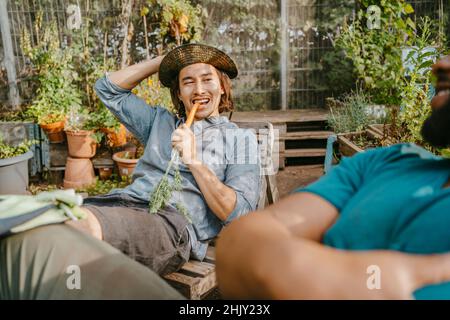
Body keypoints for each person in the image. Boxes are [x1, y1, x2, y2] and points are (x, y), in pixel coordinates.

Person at [215, 55, 450, 299]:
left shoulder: (239, 139)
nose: (441, 64)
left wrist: (291, 267)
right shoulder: (384, 163)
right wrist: (363, 280)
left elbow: (241, 225)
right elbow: (237, 245)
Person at [66, 43, 261, 276]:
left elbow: (240, 213)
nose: (198, 89)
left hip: (171, 224)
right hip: (122, 202)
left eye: (207, 79)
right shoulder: (157, 122)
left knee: (78, 226)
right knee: (54, 221)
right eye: (188, 81)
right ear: (179, 93)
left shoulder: (240, 139)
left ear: (222, 87)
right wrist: (165, 61)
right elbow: (107, 89)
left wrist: (193, 159)